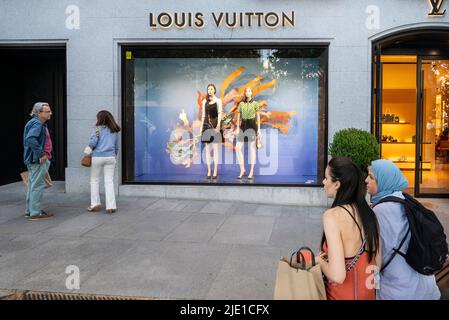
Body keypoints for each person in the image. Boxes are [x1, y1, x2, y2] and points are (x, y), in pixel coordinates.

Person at [365, 159, 441, 300]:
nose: (366, 180)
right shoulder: (404, 199)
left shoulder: (380, 210)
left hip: (399, 291)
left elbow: (377, 258)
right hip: (427, 287)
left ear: (384, 181)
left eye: (371, 177)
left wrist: (371, 287)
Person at [315, 157, 381, 300]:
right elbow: (377, 263)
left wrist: (319, 261)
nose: (323, 182)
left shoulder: (332, 216)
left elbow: (338, 276)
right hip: (369, 295)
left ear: (337, 184)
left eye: (326, 178)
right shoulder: (370, 213)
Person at [84, 110, 120, 214]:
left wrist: (87, 150)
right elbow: (117, 146)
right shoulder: (115, 130)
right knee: (109, 181)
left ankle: (95, 204)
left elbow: (93, 142)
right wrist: (114, 156)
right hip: (111, 157)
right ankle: (111, 206)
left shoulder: (97, 129)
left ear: (99, 118)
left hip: (98, 157)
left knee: (94, 180)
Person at [23, 102, 55, 221]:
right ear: (38, 113)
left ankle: (30, 211)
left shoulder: (35, 123)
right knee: (37, 186)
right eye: (47, 111)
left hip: (34, 159)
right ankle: (35, 213)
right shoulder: (37, 124)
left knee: (33, 185)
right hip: (38, 160)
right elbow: (30, 139)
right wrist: (41, 154)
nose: (50, 113)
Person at [236, 87, 260, 180]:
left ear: (252, 92)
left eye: (249, 91)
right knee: (238, 148)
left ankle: (251, 171)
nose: (247, 92)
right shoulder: (241, 104)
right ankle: (242, 169)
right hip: (243, 125)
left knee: (252, 149)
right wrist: (238, 128)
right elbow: (238, 117)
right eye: (246, 91)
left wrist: (259, 130)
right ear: (245, 93)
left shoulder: (255, 103)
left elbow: (258, 117)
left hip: (252, 125)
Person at [200, 84, 223, 179]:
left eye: (211, 89)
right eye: (208, 89)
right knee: (207, 150)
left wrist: (218, 126)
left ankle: (215, 171)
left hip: (215, 125)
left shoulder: (218, 101)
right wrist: (201, 128)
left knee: (215, 150)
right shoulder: (204, 101)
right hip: (206, 125)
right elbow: (203, 115)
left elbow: (220, 113)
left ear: (214, 90)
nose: (209, 90)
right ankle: (209, 170)